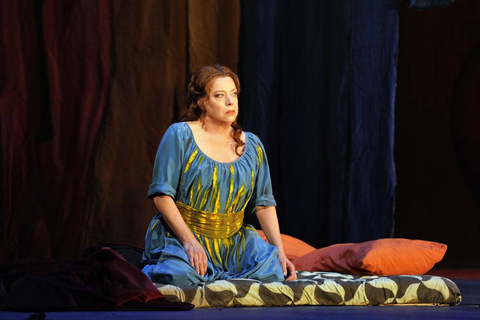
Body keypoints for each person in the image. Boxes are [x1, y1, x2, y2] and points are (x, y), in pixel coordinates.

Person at [141, 64, 296, 286]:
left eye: (233, 94)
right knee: (178, 276)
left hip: (234, 242)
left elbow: (264, 205)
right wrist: (190, 242)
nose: (230, 102)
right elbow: (161, 195)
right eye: (219, 95)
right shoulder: (180, 135)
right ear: (202, 102)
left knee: (272, 273)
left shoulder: (252, 145)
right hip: (185, 236)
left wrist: (280, 252)